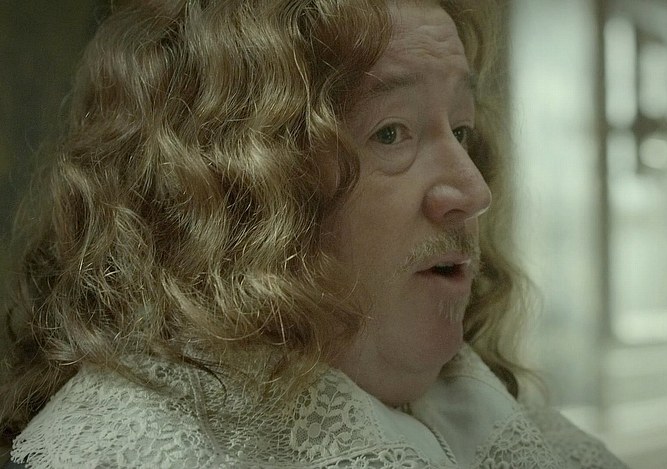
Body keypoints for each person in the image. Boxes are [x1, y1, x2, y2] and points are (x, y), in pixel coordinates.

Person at [0, 0, 628, 467]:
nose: (472, 192)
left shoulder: (506, 422)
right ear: (232, 192)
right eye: (391, 133)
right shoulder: (119, 451)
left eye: (460, 130)